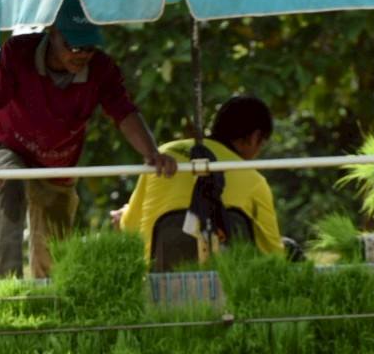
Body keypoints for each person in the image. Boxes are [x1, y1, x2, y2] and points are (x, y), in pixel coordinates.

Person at [0, 0, 177, 278]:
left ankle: (49, 305)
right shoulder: (18, 53)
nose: (81, 54)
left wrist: (152, 153)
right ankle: (5, 289)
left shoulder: (101, 69)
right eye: (73, 46)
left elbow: (124, 113)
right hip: (7, 144)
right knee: (10, 182)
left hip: (57, 160)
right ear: (52, 33)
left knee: (54, 249)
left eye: (88, 48)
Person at [116, 96, 284, 262]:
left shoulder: (163, 157)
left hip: (157, 282)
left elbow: (129, 226)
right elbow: (274, 255)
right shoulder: (254, 181)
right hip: (225, 284)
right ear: (255, 137)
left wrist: (122, 216)